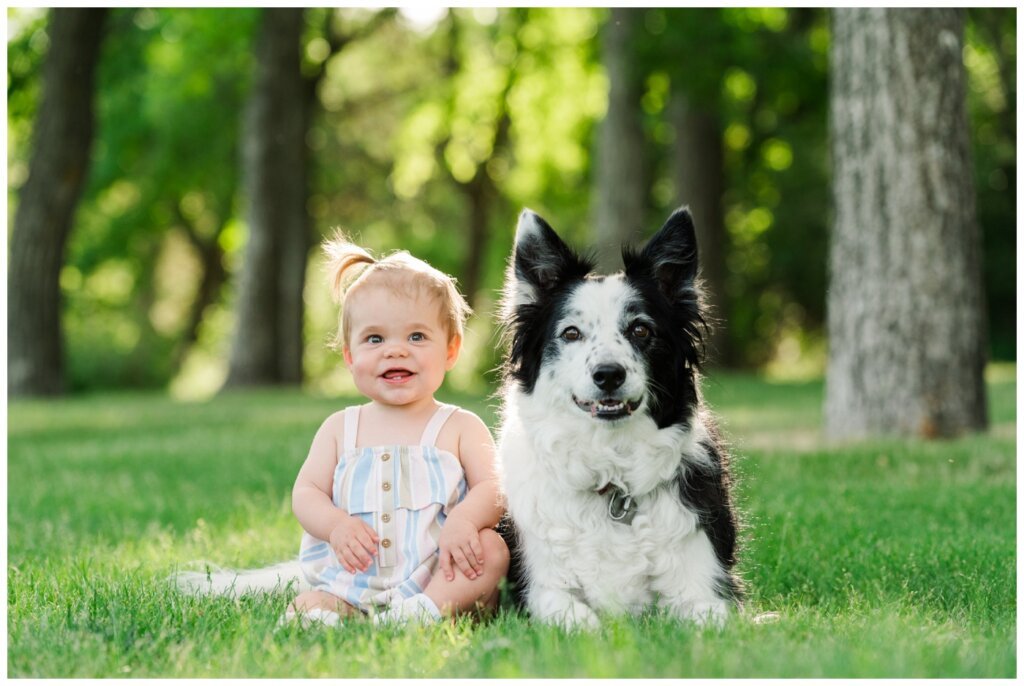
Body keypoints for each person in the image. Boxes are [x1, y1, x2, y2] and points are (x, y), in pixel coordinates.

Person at [283, 234, 509, 627]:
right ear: (350, 357)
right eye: (375, 339)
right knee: (307, 605)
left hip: (442, 577)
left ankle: (424, 612)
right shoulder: (340, 429)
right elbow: (306, 493)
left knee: (492, 549)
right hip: (354, 581)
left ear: (451, 350)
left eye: (416, 337)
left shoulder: (458, 427)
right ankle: (348, 615)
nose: (395, 350)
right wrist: (336, 525)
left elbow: (497, 487)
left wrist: (464, 521)